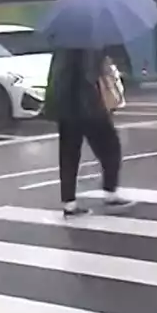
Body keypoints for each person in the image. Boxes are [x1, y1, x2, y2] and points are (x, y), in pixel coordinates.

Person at [42, 47, 134, 217]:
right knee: (111, 147)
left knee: (69, 155)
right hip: (87, 106)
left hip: (65, 107)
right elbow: (90, 74)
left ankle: (69, 203)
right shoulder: (87, 46)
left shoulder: (62, 47)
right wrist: (104, 63)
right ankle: (110, 192)